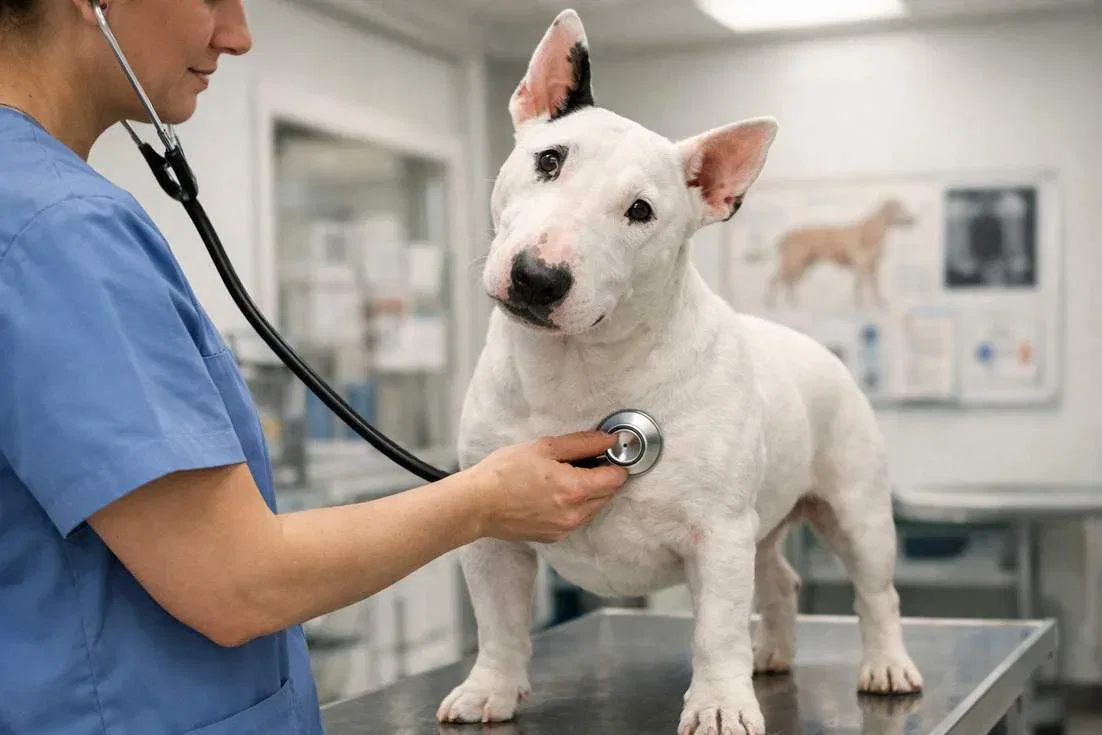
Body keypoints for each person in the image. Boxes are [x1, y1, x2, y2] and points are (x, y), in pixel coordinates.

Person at [0, 1, 629, 733]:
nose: (237, 35)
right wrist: (484, 500)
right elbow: (235, 581)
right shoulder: (58, 233)